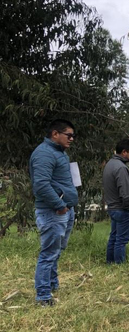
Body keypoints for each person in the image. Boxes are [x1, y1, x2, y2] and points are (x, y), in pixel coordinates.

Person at [29, 119, 78, 306]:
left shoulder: (60, 154)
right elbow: (41, 185)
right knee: (49, 253)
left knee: (56, 251)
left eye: (73, 135)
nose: (72, 139)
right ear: (55, 134)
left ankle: (52, 284)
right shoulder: (44, 154)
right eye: (69, 135)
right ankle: (43, 296)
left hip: (65, 211)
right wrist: (60, 205)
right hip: (53, 212)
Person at [103, 139, 129, 264]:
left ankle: (110, 263)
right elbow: (125, 193)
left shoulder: (110, 164)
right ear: (124, 152)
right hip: (122, 209)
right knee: (121, 241)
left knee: (114, 238)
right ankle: (119, 265)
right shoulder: (121, 168)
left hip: (113, 208)